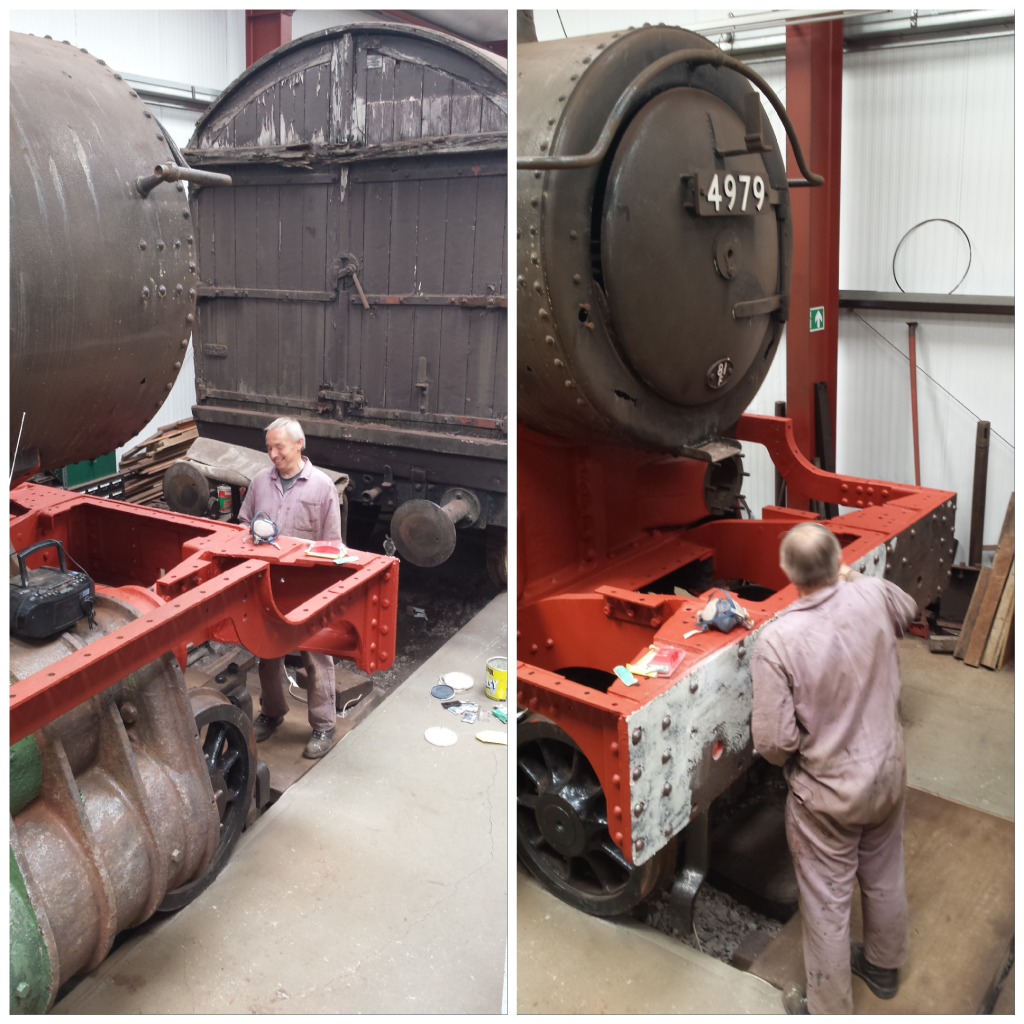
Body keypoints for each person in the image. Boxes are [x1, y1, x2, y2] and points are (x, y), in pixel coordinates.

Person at [750, 522, 918, 1015]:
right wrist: (854, 581)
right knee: (885, 870)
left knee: (826, 902)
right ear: (839, 562)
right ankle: (884, 968)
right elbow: (907, 611)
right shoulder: (871, 594)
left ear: (785, 574)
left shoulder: (777, 640)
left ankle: (828, 1007)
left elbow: (774, 743)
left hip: (829, 795)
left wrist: (811, 743)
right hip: (888, 773)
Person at [238, 416, 343, 759]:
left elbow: (332, 545)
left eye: (278, 447)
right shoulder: (259, 482)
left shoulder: (323, 486)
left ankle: (324, 726)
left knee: (316, 655)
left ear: (299, 444)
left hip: (307, 584)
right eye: (268, 447)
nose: (272, 454)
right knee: (266, 649)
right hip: (266, 580)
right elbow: (242, 525)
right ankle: (272, 712)